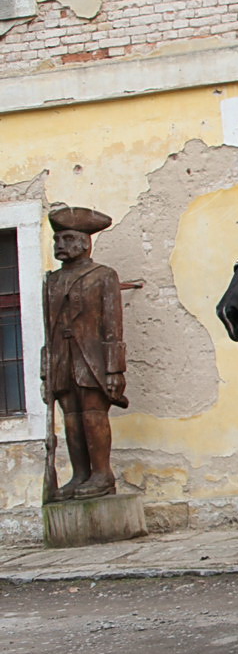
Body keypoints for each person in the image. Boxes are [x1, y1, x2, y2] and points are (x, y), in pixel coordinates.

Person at [41, 206, 128, 501]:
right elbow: (46, 329)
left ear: (83, 241)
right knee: (71, 419)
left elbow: (113, 325)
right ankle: (80, 474)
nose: (60, 245)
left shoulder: (103, 276)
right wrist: (46, 372)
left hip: (92, 359)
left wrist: (115, 369)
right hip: (62, 359)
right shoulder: (51, 281)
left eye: (66, 238)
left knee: (93, 415)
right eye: (57, 240)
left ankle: (102, 474)